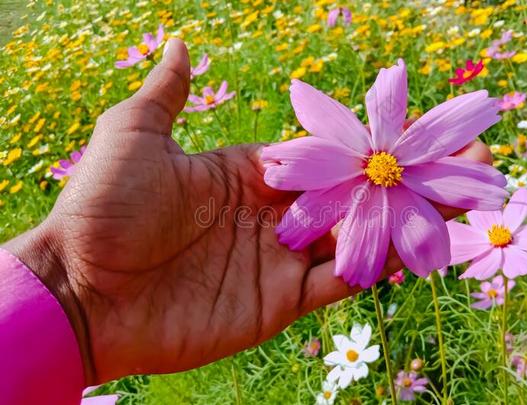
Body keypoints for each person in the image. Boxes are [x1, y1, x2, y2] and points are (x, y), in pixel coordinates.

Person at [0, 39, 492, 404]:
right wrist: (69, 287)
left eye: (385, 169)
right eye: (378, 166)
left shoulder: (391, 171)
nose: (383, 169)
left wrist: (68, 292)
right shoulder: (352, 173)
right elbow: (303, 204)